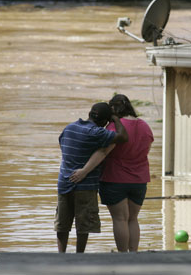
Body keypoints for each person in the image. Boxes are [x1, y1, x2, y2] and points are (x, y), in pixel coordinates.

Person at [71, 94, 154, 252]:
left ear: (114, 109)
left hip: (115, 179)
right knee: (133, 219)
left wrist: (84, 171)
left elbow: (103, 152)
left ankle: (123, 256)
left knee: (120, 219)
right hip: (139, 180)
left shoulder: (114, 127)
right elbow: (146, 151)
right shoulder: (145, 126)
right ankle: (134, 254)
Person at [55, 102, 128, 253]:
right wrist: (115, 119)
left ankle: (60, 255)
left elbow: (62, 144)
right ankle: (79, 255)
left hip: (64, 181)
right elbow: (123, 137)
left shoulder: (70, 127)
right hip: (85, 185)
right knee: (84, 224)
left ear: (89, 113)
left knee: (63, 223)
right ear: (103, 122)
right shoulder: (96, 133)